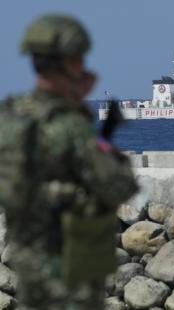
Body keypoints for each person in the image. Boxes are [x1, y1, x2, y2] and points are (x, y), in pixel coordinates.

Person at [3, 14, 138, 309]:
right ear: (71, 62)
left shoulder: (8, 116)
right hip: (70, 264)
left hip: (27, 259)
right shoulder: (69, 125)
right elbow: (119, 186)